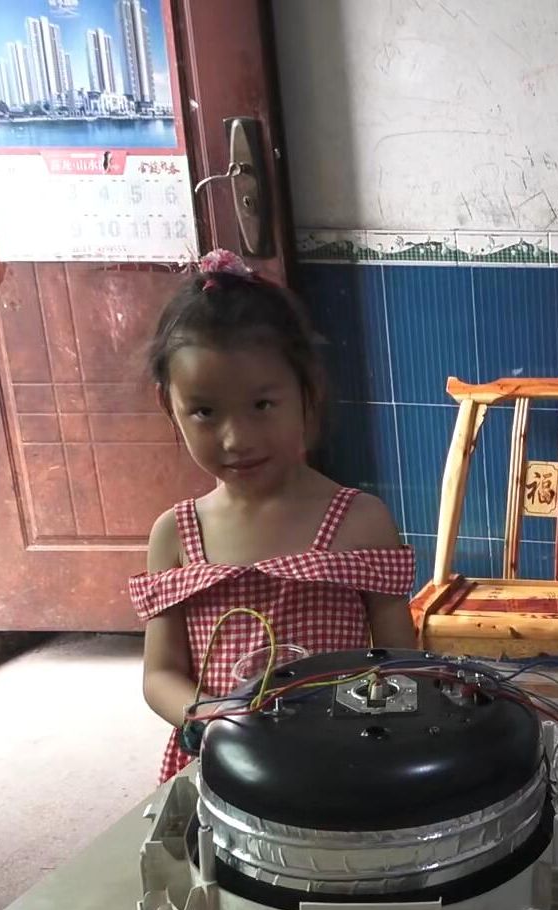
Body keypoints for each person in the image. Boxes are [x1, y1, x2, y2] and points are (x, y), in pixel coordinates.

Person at [129, 249, 417, 784]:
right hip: (225, 761)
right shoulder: (174, 534)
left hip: (345, 758)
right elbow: (160, 673)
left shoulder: (361, 520)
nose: (237, 439)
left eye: (262, 405)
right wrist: (211, 718)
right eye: (205, 412)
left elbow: (398, 658)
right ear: (169, 406)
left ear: (307, 393)